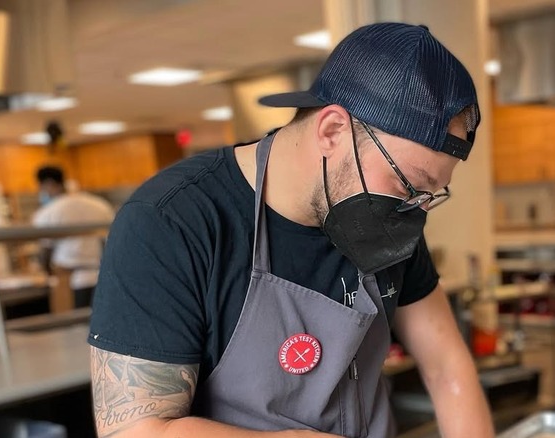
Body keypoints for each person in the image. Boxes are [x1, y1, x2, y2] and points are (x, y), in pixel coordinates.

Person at [88, 23, 494, 438]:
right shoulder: (171, 221)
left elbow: (446, 366)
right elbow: (135, 429)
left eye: (428, 194)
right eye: (408, 185)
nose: (412, 208)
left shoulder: (390, 216)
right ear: (332, 131)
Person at [32, 166, 115, 308]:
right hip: (103, 277)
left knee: (71, 327)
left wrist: (46, 272)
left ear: (47, 184)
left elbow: (45, 251)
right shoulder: (98, 204)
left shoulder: (48, 212)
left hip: (68, 280)